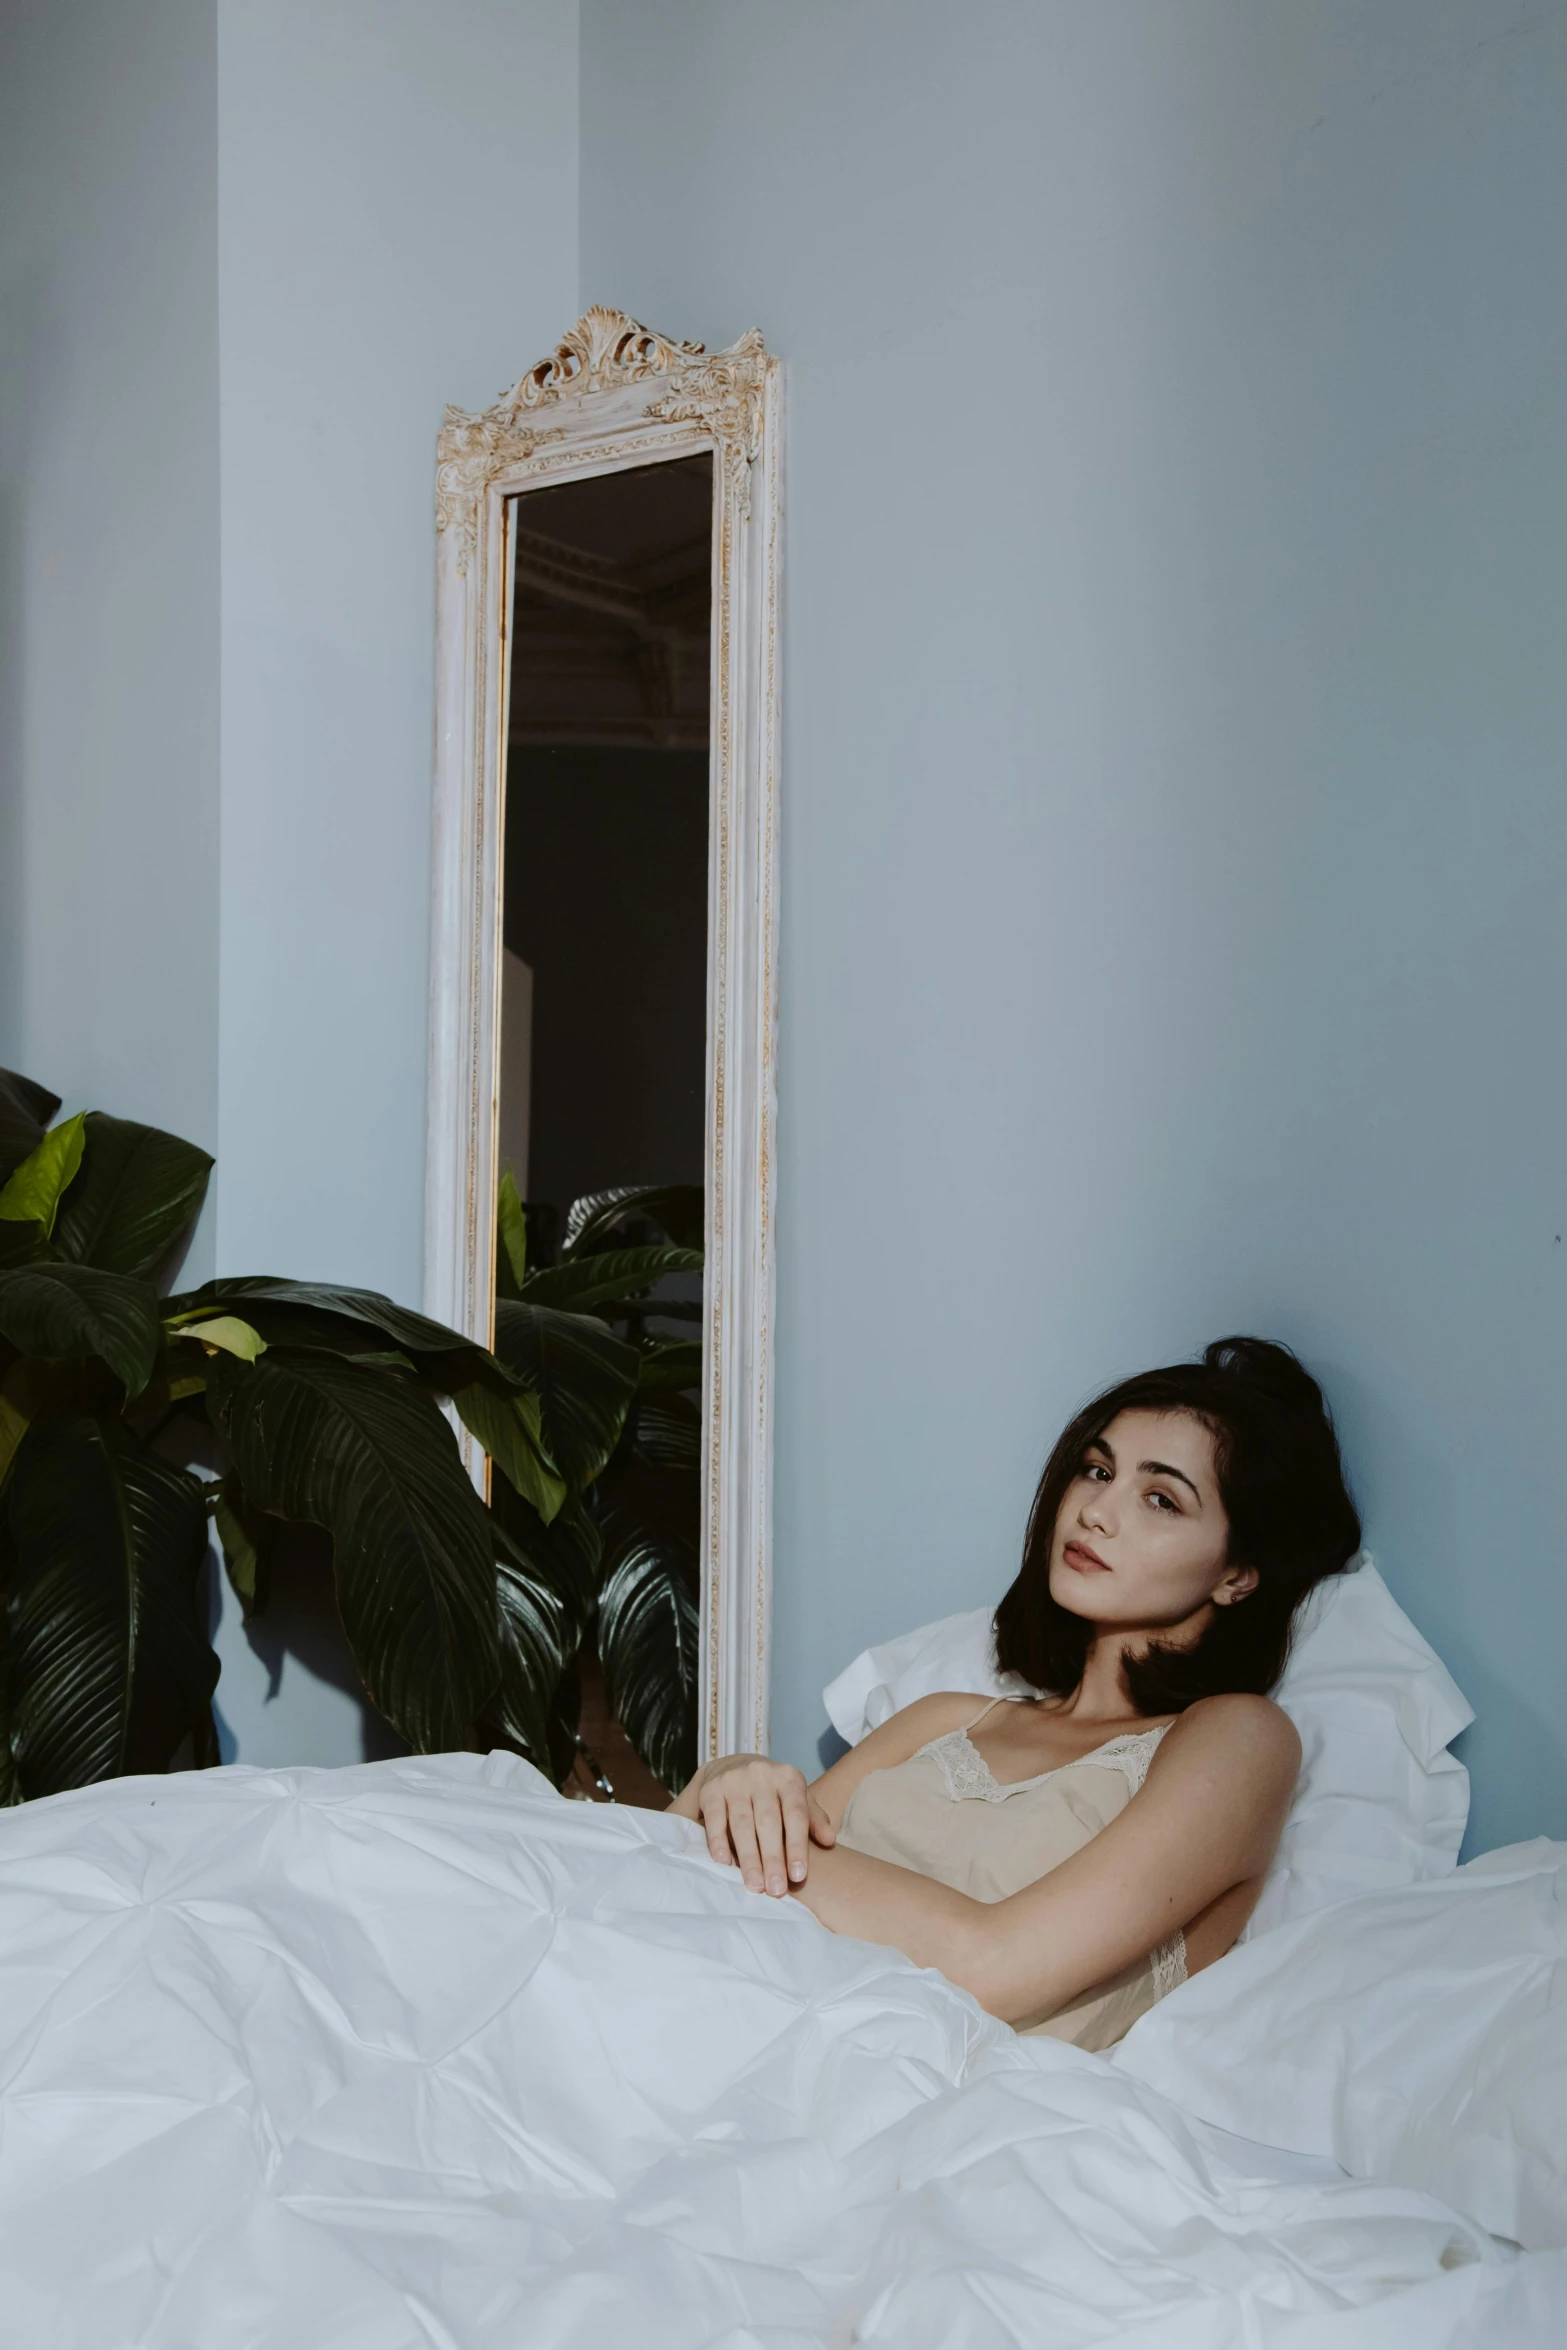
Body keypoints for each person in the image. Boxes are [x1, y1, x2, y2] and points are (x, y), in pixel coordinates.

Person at [670, 1336, 1362, 2049]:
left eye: (1159, 1498)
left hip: (905, 2076)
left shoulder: (1239, 1737)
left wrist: (750, 1846)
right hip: (733, 1990)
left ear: (1236, 1575)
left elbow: (990, 1969)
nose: (1095, 1511)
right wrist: (727, 1780)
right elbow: (676, 1859)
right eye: (1096, 1470)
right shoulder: (941, 1718)